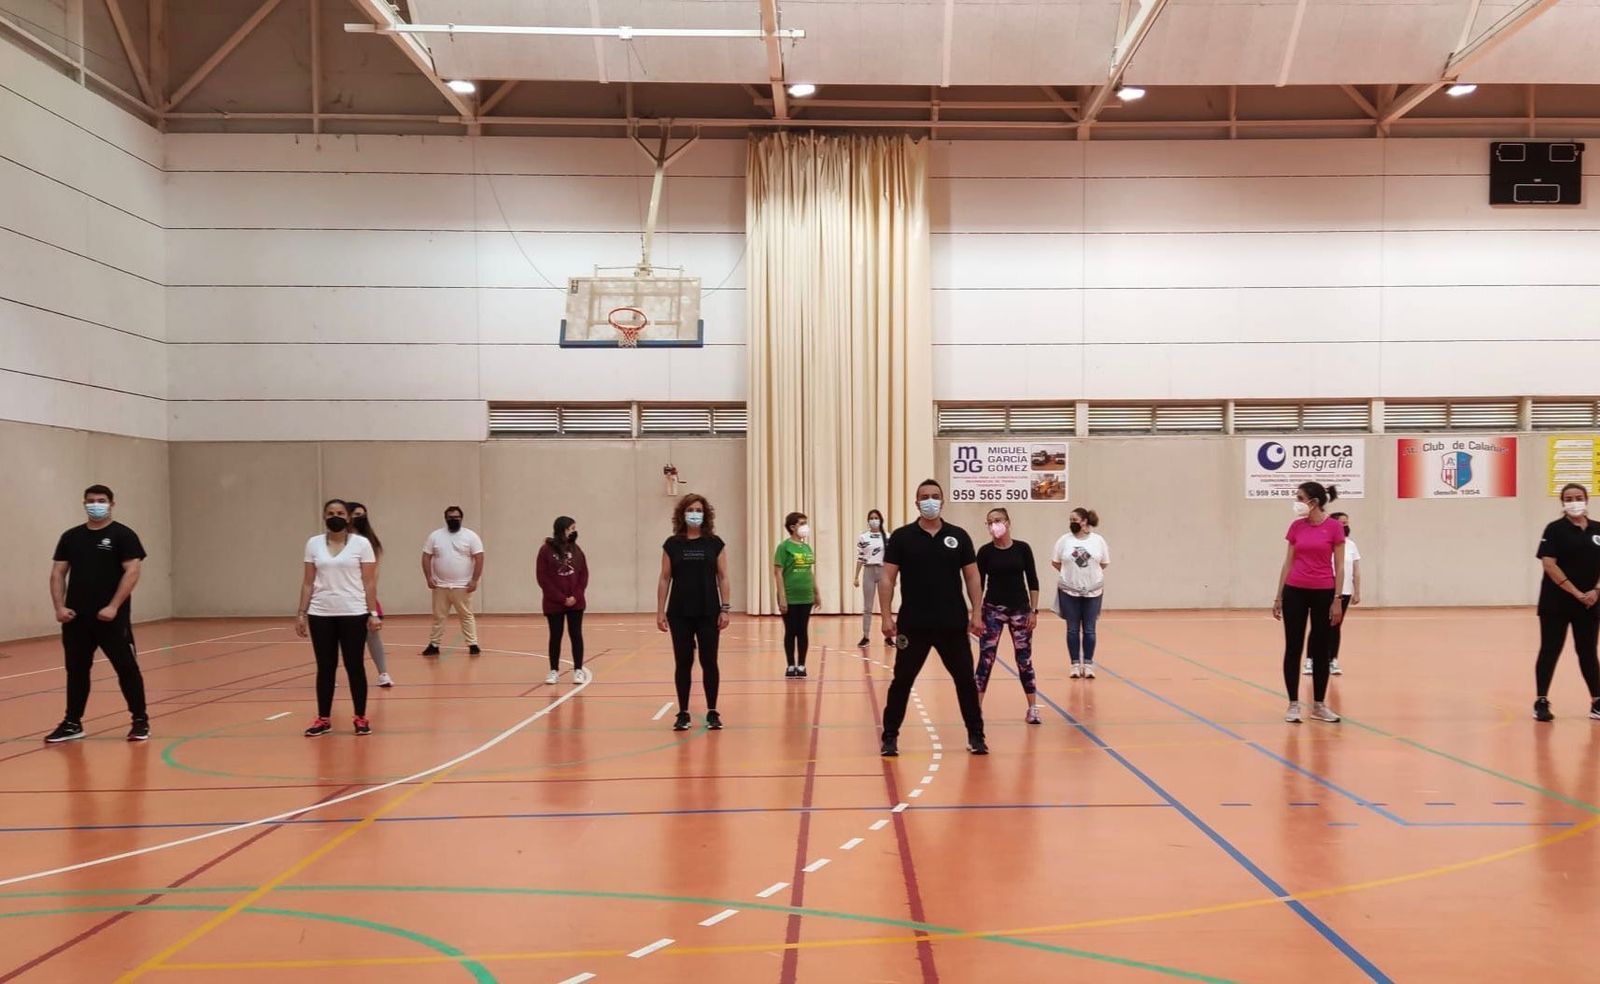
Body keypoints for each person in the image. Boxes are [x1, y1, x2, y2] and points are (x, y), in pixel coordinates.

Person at [878, 479, 988, 757]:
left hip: (952, 624)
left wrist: (976, 612)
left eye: (935, 496)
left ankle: (976, 736)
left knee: (965, 681)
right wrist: (886, 616)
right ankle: (889, 737)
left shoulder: (959, 536)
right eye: (924, 496)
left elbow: (972, 576)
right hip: (913, 625)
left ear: (942, 501)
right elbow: (887, 578)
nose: (930, 500)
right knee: (902, 680)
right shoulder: (902, 537)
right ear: (917, 503)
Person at [43, 485, 150, 744]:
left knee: (126, 668)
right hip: (76, 619)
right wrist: (59, 607)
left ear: (112, 504)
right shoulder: (71, 537)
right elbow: (58, 573)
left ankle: (140, 721)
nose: (96, 505)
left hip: (111, 619)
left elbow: (132, 571)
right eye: (91, 501)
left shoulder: (123, 535)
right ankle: (72, 723)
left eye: (101, 501)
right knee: (76, 670)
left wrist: (113, 606)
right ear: (84, 503)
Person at [296, 499, 380, 737]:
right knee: (325, 667)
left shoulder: (362, 544)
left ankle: (360, 717)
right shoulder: (313, 543)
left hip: (354, 612)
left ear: (348, 517)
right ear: (324, 516)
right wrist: (302, 613)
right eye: (331, 513)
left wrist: (373, 613)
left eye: (340, 513)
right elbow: (308, 582)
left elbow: (369, 582)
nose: (336, 516)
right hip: (321, 613)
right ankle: (323, 719)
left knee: (355, 665)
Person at [1272, 481, 1345, 725]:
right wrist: (1279, 595)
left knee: (1321, 649)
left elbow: (1340, 566)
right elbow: (1288, 562)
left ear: (1313, 502)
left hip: (1323, 592)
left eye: (1300, 498)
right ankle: (1293, 703)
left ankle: (1319, 705)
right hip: (1295, 592)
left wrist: (1337, 599)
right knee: (1293, 647)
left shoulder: (1334, 527)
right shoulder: (1296, 527)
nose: (1297, 502)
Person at [657, 493, 730, 732]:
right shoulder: (672, 544)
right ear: (682, 514)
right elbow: (665, 578)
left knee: (709, 661)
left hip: (708, 611)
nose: (694, 514)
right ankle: (683, 712)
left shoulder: (715, 543)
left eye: (699, 510)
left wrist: (725, 608)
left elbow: (723, 577)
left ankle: (712, 711)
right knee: (683, 662)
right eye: (690, 510)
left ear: (705, 514)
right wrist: (660, 611)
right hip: (679, 612)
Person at [1532, 483, 1600, 722]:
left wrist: (1596, 590)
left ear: (1586, 499)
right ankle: (1541, 701)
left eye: (1578, 497)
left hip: (1589, 603)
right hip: (1556, 603)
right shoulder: (1554, 529)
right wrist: (1575, 592)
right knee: (1550, 649)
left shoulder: (1597, 529)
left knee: (1588, 651)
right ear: (1562, 502)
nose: (1574, 502)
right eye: (1569, 499)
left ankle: (1596, 701)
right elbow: (1549, 564)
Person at [975, 508, 1042, 724]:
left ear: (1008, 522)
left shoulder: (1023, 549)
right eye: (990, 522)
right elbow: (978, 584)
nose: (994, 525)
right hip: (992, 610)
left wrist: (1033, 610)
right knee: (986, 658)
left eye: (998, 520)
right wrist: (976, 613)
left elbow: (1033, 581)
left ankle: (1032, 708)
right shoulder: (985, 552)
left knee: (1024, 659)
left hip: (1020, 610)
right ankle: (976, 710)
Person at [1052, 507, 1110, 679]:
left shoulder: (1098, 540)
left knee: (1090, 629)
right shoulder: (1064, 540)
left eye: (1075, 520)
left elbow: (1104, 563)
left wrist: (1089, 576)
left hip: (1093, 591)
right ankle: (1075, 664)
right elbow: (1056, 562)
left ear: (1084, 521)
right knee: (1072, 629)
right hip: (1069, 592)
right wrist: (1070, 576)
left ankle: (1089, 664)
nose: (1072, 523)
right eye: (1070, 520)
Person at [420, 505, 484, 656]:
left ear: (461, 518)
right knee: (439, 616)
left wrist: (474, 580)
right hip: (440, 585)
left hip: (463, 586)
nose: (453, 520)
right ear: (445, 518)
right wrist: (429, 577)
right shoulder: (435, 536)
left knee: (466, 615)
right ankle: (434, 644)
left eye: (456, 517)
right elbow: (426, 556)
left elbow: (479, 558)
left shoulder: (471, 536)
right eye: (450, 517)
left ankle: (473, 644)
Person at [1307, 511, 1361, 678]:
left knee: (1335, 626)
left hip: (1344, 591)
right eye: (1342, 523)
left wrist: (1357, 591)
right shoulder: (1325, 543)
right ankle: (1310, 660)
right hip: (1325, 588)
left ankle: (1333, 660)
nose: (1345, 526)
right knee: (1319, 626)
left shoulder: (1351, 545)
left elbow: (1356, 570)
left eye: (1347, 523)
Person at [537, 516, 590, 686]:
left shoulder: (577, 550)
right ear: (563, 529)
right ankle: (554, 670)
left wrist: (576, 596)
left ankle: (578, 670)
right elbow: (543, 578)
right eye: (571, 528)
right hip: (554, 603)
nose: (574, 531)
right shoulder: (545, 551)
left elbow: (583, 575)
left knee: (576, 634)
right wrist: (561, 598)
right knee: (555, 635)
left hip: (576, 603)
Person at [347, 502, 392, 688]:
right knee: (341, 640)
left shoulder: (370, 542)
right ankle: (330, 674)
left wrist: (369, 596)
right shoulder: (338, 541)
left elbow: (374, 574)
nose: (360, 518)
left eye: (363, 514)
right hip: (343, 596)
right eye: (356, 514)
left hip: (364, 595)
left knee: (373, 636)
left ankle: (383, 673)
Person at [775, 511, 817, 679]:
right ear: (792, 527)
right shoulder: (784, 547)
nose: (805, 527)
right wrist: (782, 597)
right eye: (802, 523)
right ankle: (791, 664)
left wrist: (816, 592)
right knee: (791, 630)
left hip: (806, 596)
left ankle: (801, 665)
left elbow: (809, 571)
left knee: (802, 631)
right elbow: (778, 573)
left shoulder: (807, 547)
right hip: (790, 595)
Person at [854, 509, 887, 647]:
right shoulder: (864, 537)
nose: (874, 520)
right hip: (869, 571)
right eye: (871, 518)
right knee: (867, 607)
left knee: (885, 606)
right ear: (868, 521)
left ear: (881, 520)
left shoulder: (887, 536)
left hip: (883, 571)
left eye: (876, 518)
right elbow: (860, 557)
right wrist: (856, 576)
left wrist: (892, 577)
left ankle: (888, 636)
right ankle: (866, 636)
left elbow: (891, 558)